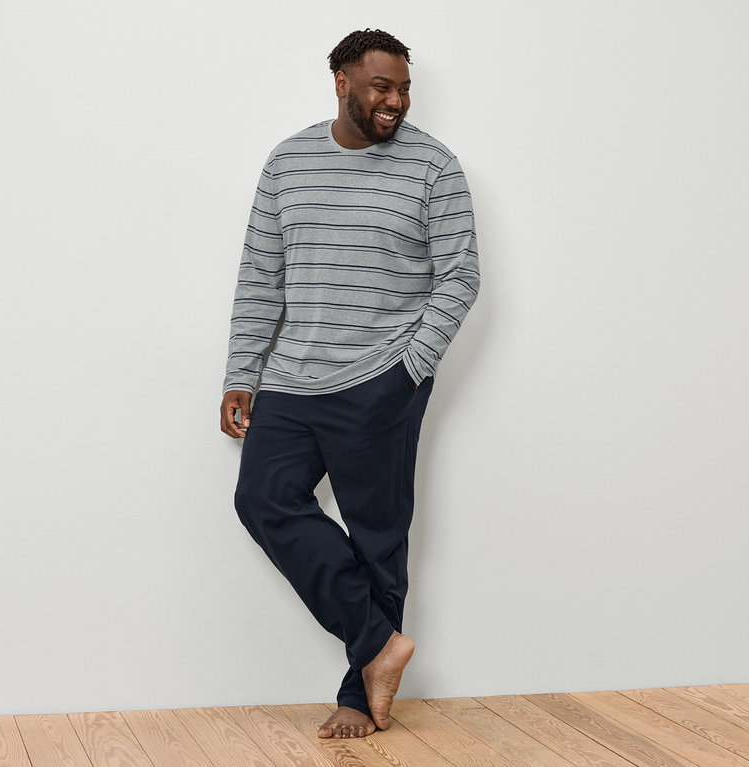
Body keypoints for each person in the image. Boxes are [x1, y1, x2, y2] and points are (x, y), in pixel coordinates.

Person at [220, 28, 480, 739]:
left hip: (382, 376)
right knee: (262, 498)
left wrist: (409, 367)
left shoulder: (434, 166)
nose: (393, 101)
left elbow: (459, 277)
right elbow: (260, 275)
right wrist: (244, 372)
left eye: (402, 88)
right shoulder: (289, 162)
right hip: (292, 378)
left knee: (377, 537)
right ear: (341, 81)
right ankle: (379, 644)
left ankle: (360, 697)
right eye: (379, 86)